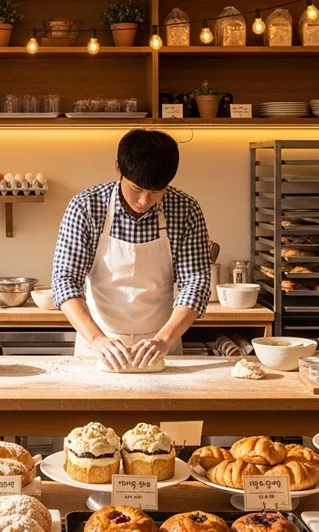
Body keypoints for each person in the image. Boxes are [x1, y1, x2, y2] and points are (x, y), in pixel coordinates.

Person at [51, 128, 210, 370]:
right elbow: (65, 279)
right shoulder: (86, 207)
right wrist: (96, 339)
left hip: (162, 344)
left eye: (156, 192)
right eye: (137, 189)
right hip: (98, 344)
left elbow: (196, 283)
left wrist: (164, 340)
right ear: (118, 169)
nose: (144, 201)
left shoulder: (186, 209)